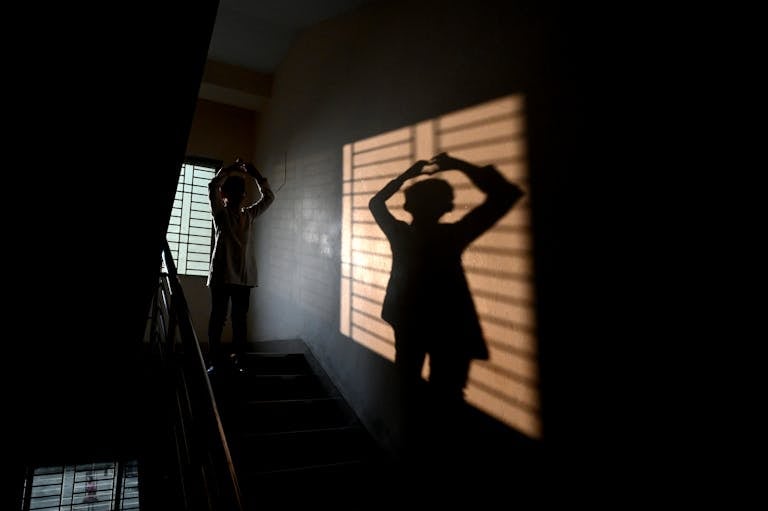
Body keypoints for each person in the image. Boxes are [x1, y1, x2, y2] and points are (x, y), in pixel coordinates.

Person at [369, 152, 524, 404]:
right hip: (450, 323)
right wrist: (457, 164)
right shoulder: (453, 236)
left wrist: (408, 175)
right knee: (447, 395)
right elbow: (505, 194)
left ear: (407, 206)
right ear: (448, 207)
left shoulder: (401, 235)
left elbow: (376, 203)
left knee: (406, 388)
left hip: (408, 319)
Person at [206, 158, 275, 374]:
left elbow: (269, 197)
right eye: (234, 191)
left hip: (244, 279)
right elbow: (212, 186)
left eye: (241, 192)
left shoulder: (249, 215)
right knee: (218, 319)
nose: (239, 195)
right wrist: (229, 170)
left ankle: (239, 361)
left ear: (244, 196)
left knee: (239, 321)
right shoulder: (220, 214)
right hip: (222, 276)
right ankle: (215, 361)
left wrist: (257, 176)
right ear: (224, 195)